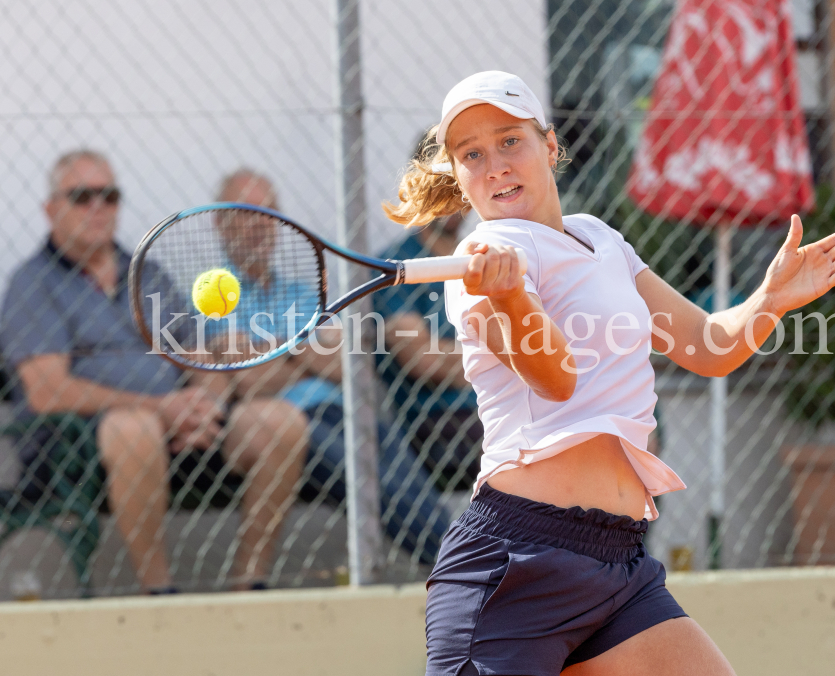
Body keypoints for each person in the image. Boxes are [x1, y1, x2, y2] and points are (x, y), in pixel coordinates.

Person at [383, 72, 835, 676]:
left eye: (510, 141)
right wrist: (510, 297)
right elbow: (557, 379)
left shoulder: (599, 238)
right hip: (513, 566)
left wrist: (768, 301)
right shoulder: (482, 262)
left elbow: (706, 346)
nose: (495, 166)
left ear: (551, 145)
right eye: (472, 154)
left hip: (616, 564)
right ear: (458, 175)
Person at [0, 150, 309, 593]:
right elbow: (49, 391)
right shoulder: (33, 283)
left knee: (281, 423)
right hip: (74, 447)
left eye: (109, 196)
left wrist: (205, 406)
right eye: (82, 197)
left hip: (177, 428)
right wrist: (160, 407)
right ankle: (158, 590)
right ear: (51, 210)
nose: (97, 208)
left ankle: (250, 582)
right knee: (135, 428)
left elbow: (199, 353)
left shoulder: (145, 275)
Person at [201, 169, 451, 564]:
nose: (261, 226)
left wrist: (272, 350)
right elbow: (248, 381)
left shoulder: (301, 291)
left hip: (347, 408)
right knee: (376, 485)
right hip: (294, 421)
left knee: (411, 483)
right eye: (248, 213)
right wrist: (304, 347)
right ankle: (459, 567)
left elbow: (348, 367)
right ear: (220, 222)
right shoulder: (209, 292)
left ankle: (466, 560)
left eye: (270, 213)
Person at [373, 154, 481, 491]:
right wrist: (505, 362)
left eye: (457, 183)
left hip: (497, 403)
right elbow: (424, 360)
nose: (450, 195)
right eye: (439, 184)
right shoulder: (397, 266)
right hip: (439, 420)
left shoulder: (484, 256)